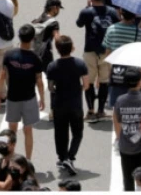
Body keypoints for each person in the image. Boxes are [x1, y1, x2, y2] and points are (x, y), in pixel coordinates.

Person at [0, 24, 45, 161]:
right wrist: (42, 98)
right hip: (29, 98)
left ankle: (10, 158)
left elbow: (2, 75)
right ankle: (28, 160)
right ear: (33, 38)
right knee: (28, 131)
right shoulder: (35, 58)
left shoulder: (9, 54)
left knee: (12, 131)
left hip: (13, 97)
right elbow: (39, 81)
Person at [46, 34, 89, 177]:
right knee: (78, 132)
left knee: (60, 133)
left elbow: (51, 87)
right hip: (75, 104)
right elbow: (86, 84)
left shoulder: (52, 66)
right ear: (72, 47)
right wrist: (79, 89)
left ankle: (62, 158)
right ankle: (70, 157)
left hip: (59, 104)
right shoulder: (80, 63)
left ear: (57, 50)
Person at [76, 0, 119, 121]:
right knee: (104, 81)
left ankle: (90, 110)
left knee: (88, 81)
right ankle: (101, 110)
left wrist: (87, 7)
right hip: (107, 51)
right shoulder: (112, 12)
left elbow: (79, 24)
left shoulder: (87, 12)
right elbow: (117, 25)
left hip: (90, 50)